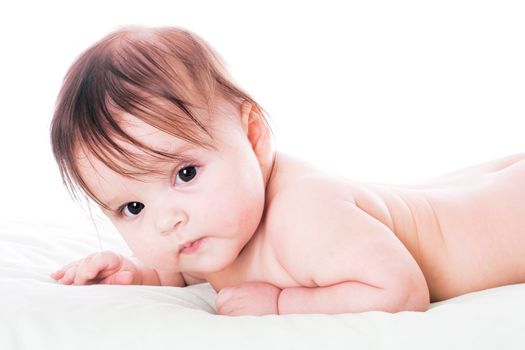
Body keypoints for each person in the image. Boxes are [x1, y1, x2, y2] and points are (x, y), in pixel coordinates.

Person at [49, 26, 525, 316]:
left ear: (253, 139)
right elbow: (198, 270)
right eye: (132, 207)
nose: (166, 220)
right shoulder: (217, 230)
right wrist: (139, 275)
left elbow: (400, 289)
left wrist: (280, 305)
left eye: (186, 174)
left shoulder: (305, 213)